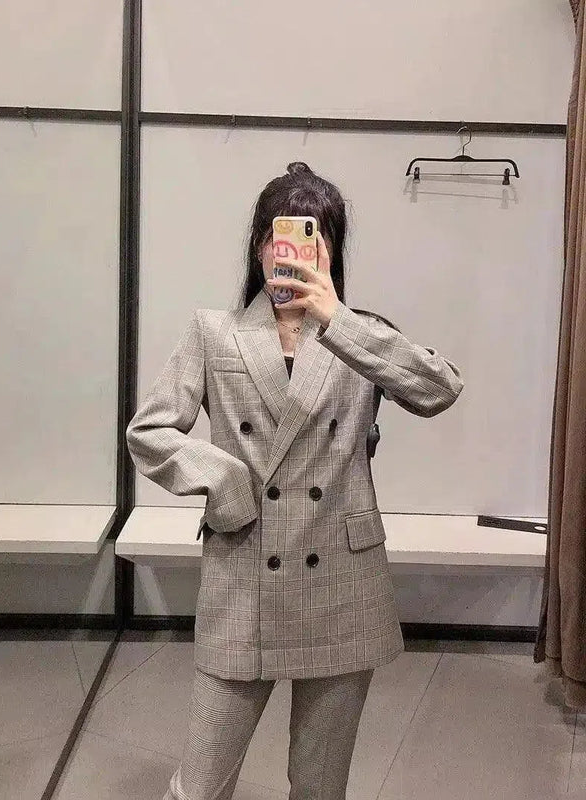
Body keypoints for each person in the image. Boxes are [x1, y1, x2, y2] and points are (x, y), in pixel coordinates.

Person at [126, 161, 464, 799]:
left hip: (341, 584)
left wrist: (338, 318)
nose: (291, 254)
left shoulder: (361, 336)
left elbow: (440, 389)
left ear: (331, 251)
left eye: (314, 237)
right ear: (258, 246)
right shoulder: (215, 332)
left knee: (319, 787)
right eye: (278, 236)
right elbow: (149, 431)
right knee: (199, 785)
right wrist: (222, 477)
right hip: (244, 579)